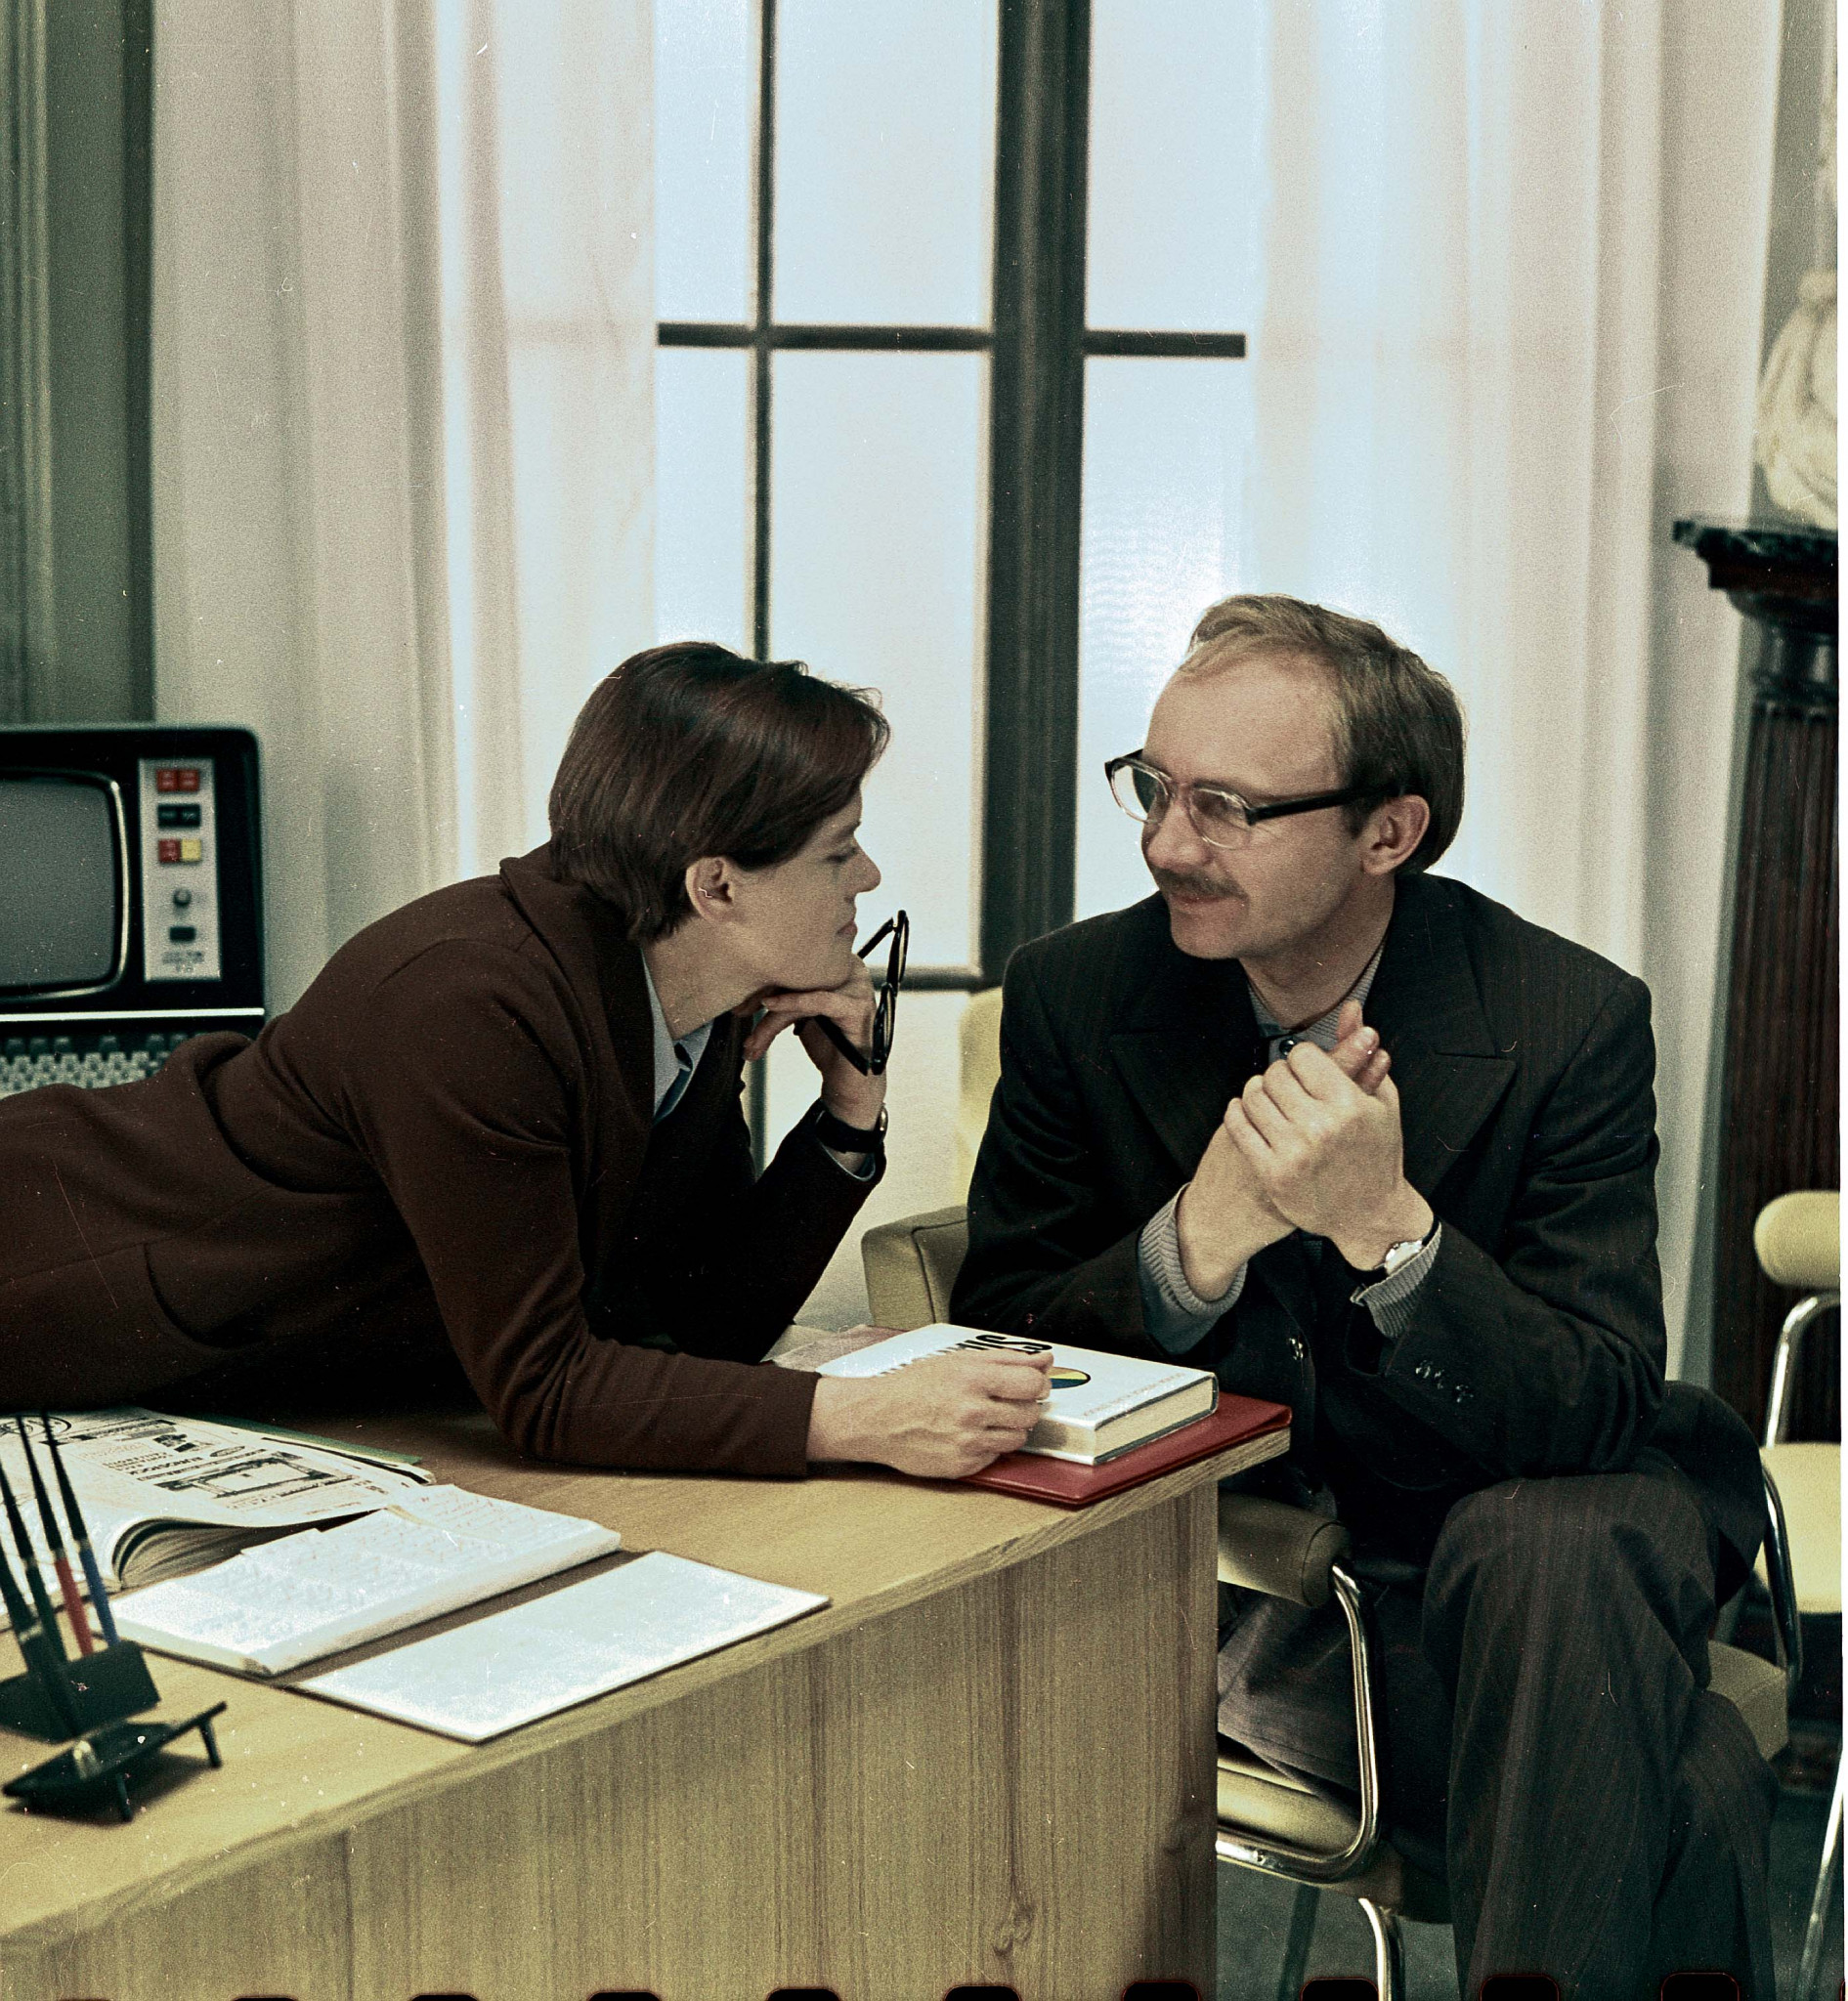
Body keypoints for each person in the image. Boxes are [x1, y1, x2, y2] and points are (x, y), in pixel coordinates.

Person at [951, 594, 1774, 1997]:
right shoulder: (1076, 994)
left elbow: (1590, 1404)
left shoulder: (1566, 1016)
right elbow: (997, 1340)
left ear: (1386, 831)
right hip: (1275, 1593)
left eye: (1224, 807)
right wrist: (1197, 1238)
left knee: (1553, 1539)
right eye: (1153, 786)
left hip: (1522, 1554)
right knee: (1687, 1773)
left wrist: (1390, 1235)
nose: (1164, 845)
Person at [1, 642, 1049, 1478]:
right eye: (838, 849)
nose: (868, 875)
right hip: (45, 1268)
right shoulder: (471, 1002)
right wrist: (859, 1418)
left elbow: (694, 1327)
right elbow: (547, 1388)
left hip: (219, 1356)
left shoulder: (684, 1001)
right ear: (716, 887)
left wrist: (847, 1112)